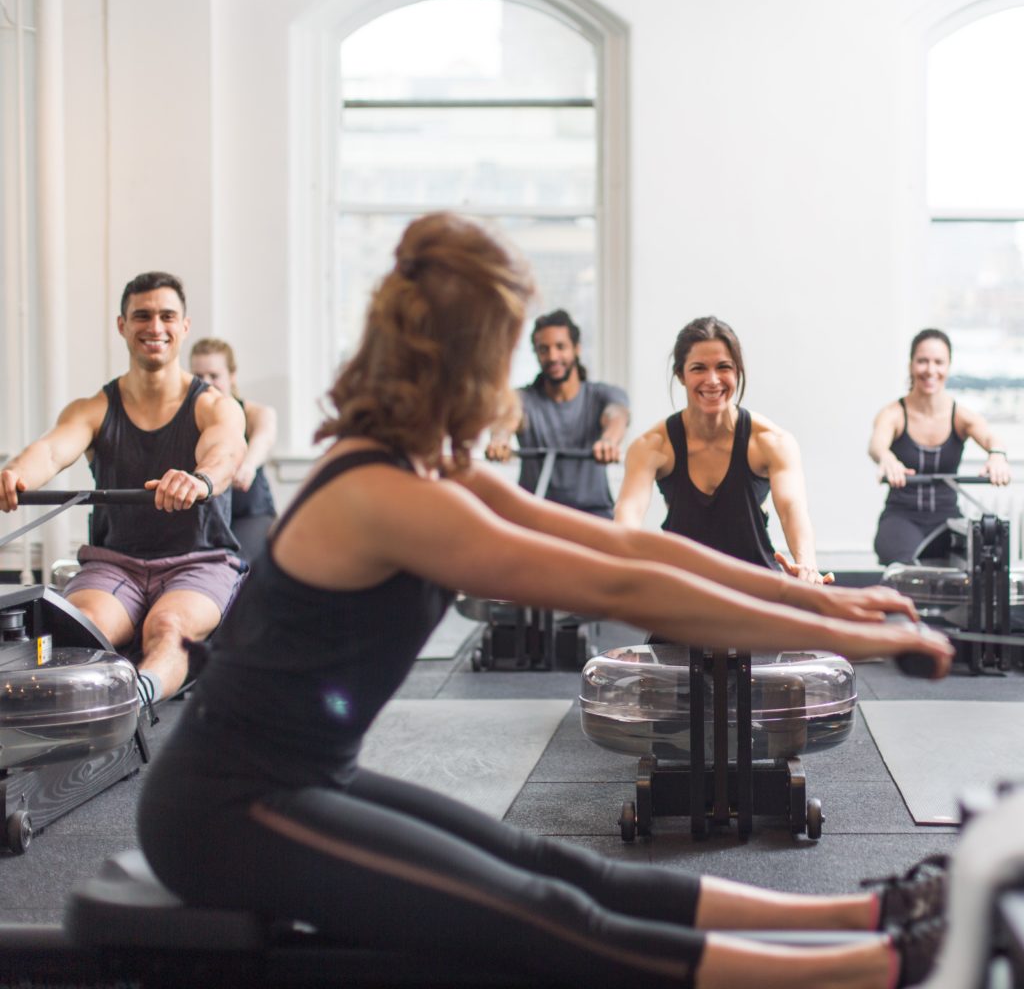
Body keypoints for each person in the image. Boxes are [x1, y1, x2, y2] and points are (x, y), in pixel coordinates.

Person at [137, 214, 952, 989]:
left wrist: (828, 602)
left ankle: (872, 911)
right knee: (542, 912)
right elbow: (621, 586)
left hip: (309, 773)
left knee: (561, 866)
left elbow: (625, 545)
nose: (517, 377)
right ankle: (876, 968)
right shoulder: (386, 490)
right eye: (503, 350)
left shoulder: (426, 466)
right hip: (226, 807)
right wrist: (848, 637)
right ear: (467, 357)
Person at [0, 271, 247, 706]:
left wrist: (199, 479)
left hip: (199, 560)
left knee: (168, 627)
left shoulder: (213, 406)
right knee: (86, 625)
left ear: (184, 326)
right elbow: (52, 452)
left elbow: (225, 454)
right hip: (117, 563)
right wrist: (15, 474)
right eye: (142, 316)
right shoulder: (94, 408)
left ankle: (136, 704)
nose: (155, 327)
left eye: (167, 316)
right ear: (122, 325)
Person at [615, 316, 832, 585]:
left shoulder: (771, 442)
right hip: (684, 593)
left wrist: (807, 565)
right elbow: (629, 512)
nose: (713, 380)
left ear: (737, 371)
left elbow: (792, 510)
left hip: (755, 592)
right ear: (681, 375)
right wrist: (622, 558)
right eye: (699, 369)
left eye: (723, 367)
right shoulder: (652, 446)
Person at [869, 328, 1011, 565]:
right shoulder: (893, 413)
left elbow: (992, 438)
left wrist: (997, 455)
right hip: (901, 517)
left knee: (981, 564)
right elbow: (876, 445)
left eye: (938, 362)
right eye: (923, 361)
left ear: (948, 367)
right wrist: (887, 458)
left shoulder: (960, 415)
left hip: (946, 519)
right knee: (905, 569)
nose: (930, 370)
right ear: (911, 365)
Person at [486, 309, 629, 518]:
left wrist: (609, 441)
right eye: (544, 349)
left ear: (576, 349)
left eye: (560, 347)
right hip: (536, 514)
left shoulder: (602, 395)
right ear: (536, 354)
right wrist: (499, 439)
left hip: (593, 514)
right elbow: (507, 418)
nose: (552, 356)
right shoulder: (521, 398)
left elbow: (616, 415)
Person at [190, 337, 278, 562]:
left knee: (235, 565)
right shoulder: (191, 415)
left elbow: (264, 436)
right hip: (205, 518)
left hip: (249, 514)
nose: (206, 383)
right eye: (199, 376)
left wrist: (247, 465)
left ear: (232, 375)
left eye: (214, 375)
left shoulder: (254, 413)